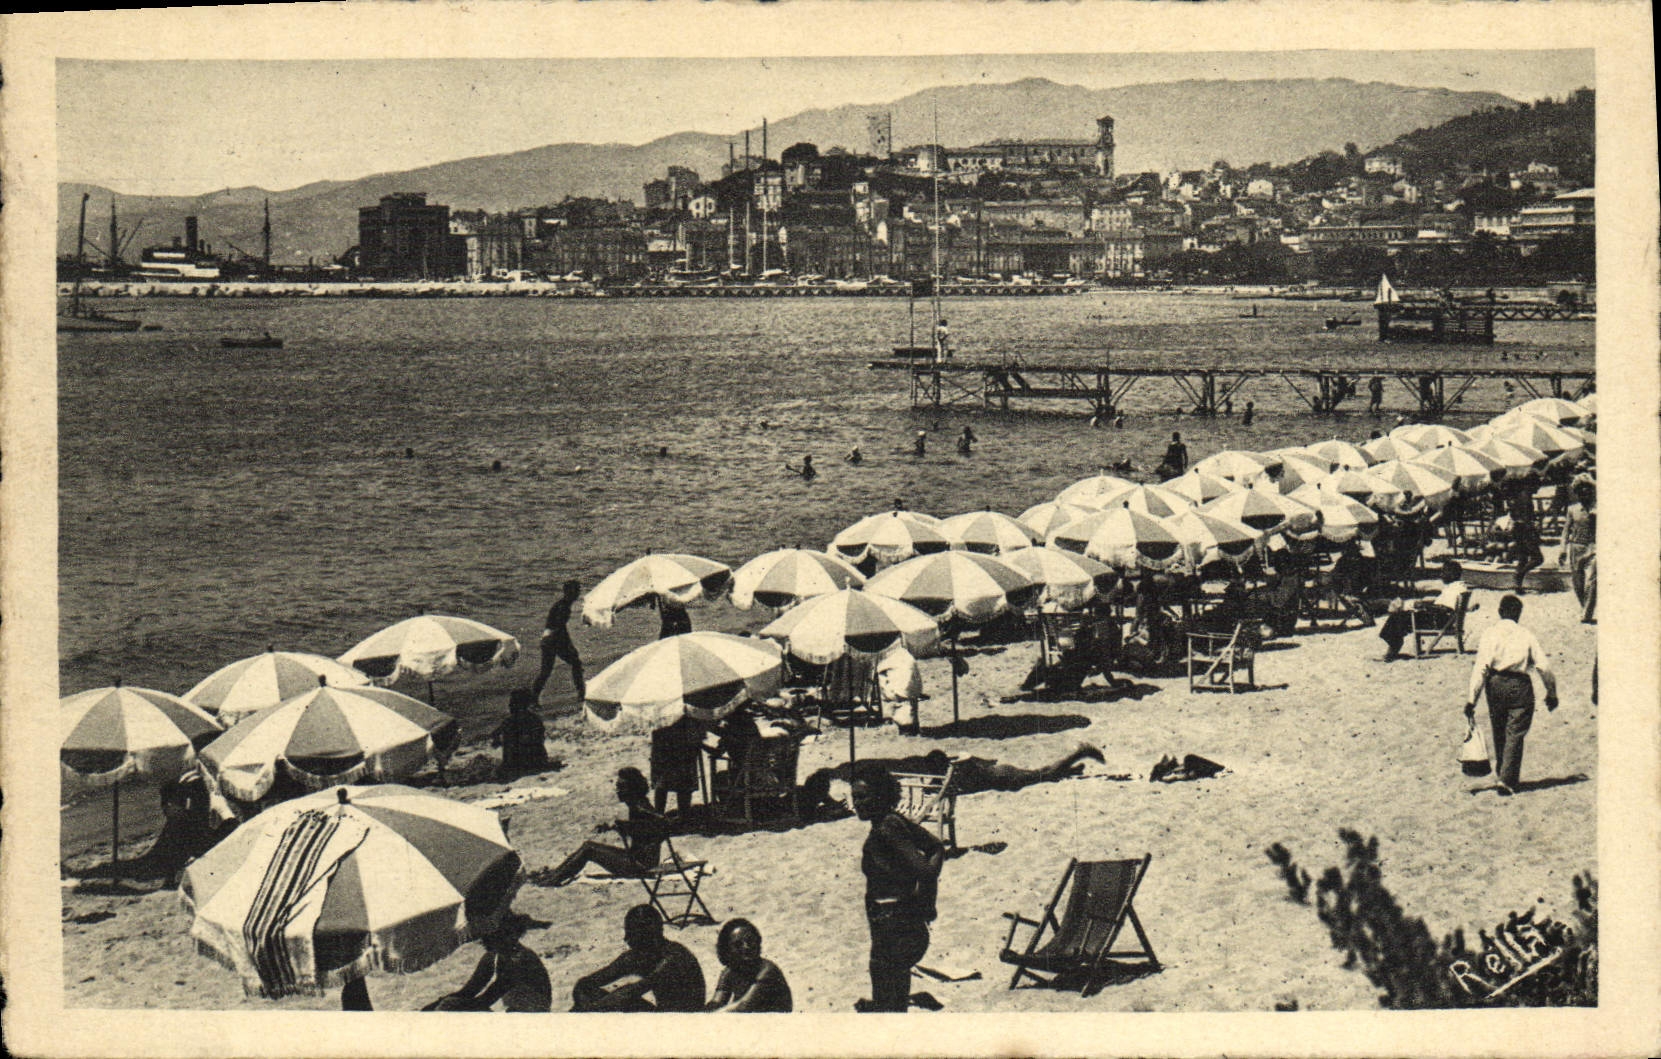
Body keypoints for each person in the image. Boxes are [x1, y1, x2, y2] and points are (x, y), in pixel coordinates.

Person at [852, 767, 944, 1013]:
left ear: (881, 796)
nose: (856, 804)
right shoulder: (894, 820)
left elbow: (925, 870)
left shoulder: (887, 828)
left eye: (863, 797)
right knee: (896, 999)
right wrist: (927, 903)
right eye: (854, 798)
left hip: (893, 926)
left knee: (887, 1005)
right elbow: (936, 847)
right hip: (900, 924)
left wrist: (927, 900)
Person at [1465, 595, 1559, 796]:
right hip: (1520, 685)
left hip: (1495, 684)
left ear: (1500, 612)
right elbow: (1544, 667)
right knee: (1515, 732)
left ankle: (1502, 774)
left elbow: (1481, 667)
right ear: (1519, 614)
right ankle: (1507, 780)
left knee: (1499, 729)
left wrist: (1471, 699)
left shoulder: (1490, 634)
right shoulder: (1526, 635)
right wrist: (1552, 693)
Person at [571, 905, 707, 1012]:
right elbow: (585, 984)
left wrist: (590, 1010)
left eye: (631, 934)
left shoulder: (673, 957)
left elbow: (630, 992)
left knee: (613, 1004)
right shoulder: (639, 954)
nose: (626, 939)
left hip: (681, 1025)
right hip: (660, 1017)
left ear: (648, 936)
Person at [545, 768, 668, 886]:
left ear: (632, 788)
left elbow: (655, 824)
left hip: (640, 866)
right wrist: (618, 826)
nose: (617, 791)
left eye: (621, 787)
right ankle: (554, 874)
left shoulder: (640, 807)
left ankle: (554, 879)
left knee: (589, 849)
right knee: (588, 846)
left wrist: (623, 826)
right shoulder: (637, 804)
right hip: (636, 858)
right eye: (617, 787)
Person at [427, 914, 552, 1012]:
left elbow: (488, 998)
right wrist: (436, 1004)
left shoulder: (520, 959)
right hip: (515, 1011)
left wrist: (448, 1006)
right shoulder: (493, 956)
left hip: (532, 1014)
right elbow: (470, 991)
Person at [919, 743, 1105, 795]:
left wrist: (931, 785)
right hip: (1002, 771)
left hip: (1007, 779)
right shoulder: (959, 766)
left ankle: (1080, 753)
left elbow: (943, 788)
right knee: (1044, 774)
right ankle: (1072, 770)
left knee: (1045, 774)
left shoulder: (955, 776)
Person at [1378, 561, 1471, 661]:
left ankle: (1394, 646)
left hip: (1437, 620)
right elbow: (1445, 606)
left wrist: (1423, 605)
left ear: (1452, 574)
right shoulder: (1457, 587)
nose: (1441, 575)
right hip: (1440, 618)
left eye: (1444, 572)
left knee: (1398, 617)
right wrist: (1425, 604)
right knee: (1401, 615)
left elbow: (1445, 608)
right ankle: (1395, 644)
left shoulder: (1455, 589)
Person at [707, 919, 793, 1012]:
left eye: (750, 941)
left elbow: (743, 1006)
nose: (746, 947)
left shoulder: (767, 970)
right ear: (728, 950)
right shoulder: (729, 971)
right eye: (738, 944)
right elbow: (717, 1001)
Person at [530, 579, 585, 703]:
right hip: (553, 640)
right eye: (576, 591)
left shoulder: (562, 605)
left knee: (546, 671)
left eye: (578, 591)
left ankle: (533, 699)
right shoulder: (564, 607)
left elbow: (557, 627)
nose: (578, 594)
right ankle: (581, 694)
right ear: (568, 592)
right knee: (575, 663)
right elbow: (559, 628)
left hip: (548, 639)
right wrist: (569, 646)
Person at [649, 714, 703, 815]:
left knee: (682, 784)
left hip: (680, 747)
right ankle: (660, 815)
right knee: (664, 785)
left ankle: (682, 815)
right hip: (668, 748)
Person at [491, 688, 550, 776]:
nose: (509, 705)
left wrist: (497, 741)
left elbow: (495, 735)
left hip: (516, 765)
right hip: (539, 761)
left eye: (512, 702)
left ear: (518, 705)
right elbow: (539, 739)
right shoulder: (535, 719)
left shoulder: (509, 721)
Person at [1561, 481, 1595, 605]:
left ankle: (1587, 610)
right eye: (1581, 493)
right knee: (1578, 581)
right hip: (1576, 547)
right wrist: (1562, 549)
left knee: (1592, 579)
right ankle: (1584, 606)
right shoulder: (1572, 509)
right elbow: (1566, 531)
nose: (1584, 496)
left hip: (1593, 547)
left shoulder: (1597, 508)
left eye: (1587, 492)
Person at [877, 646, 923, 734]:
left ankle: (908, 727)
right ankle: (904, 725)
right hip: (889, 658)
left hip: (902, 674)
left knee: (903, 697)